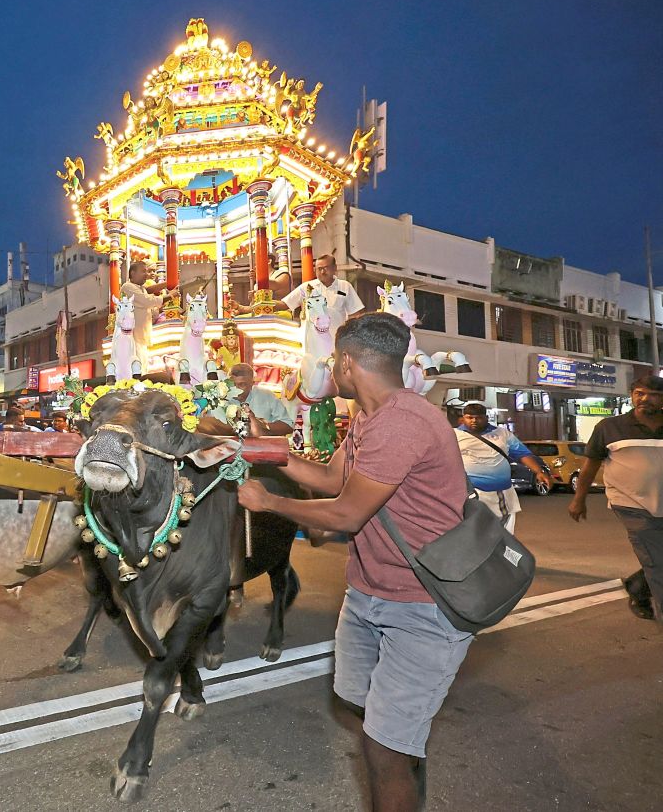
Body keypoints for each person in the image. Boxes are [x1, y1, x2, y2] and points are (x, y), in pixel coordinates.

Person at [237, 313, 470, 811]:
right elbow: (327, 479)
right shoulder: (370, 416)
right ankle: (407, 762)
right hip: (368, 596)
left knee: (383, 747)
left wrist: (270, 503)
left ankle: (403, 769)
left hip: (423, 607)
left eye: (329, 362)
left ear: (345, 363)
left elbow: (346, 511)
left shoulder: (403, 422)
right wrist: (254, 451)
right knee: (369, 717)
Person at [570, 375, 663, 623]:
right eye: (639, 393)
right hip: (631, 505)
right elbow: (590, 466)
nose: (644, 399)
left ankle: (637, 587)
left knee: (657, 557)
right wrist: (579, 499)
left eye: (652, 394)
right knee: (657, 561)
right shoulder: (609, 427)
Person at [455, 403, 551, 533]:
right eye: (470, 417)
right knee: (472, 532)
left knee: (501, 532)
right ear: (463, 418)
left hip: (500, 493)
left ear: (486, 417)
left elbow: (522, 454)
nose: (474, 421)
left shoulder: (502, 434)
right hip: (470, 493)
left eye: (478, 417)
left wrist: (539, 472)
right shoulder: (454, 435)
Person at [279, 254, 365, 329]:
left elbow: (355, 313)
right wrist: (267, 303)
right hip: (312, 342)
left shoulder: (345, 286)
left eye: (326, 268)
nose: (323, 271)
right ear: (315, 270)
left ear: (334, 268)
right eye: (319, 269)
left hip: (337, 340)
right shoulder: (307, 287)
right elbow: (286, 304)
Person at [119, 260, 176, 367]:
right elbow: (146, 300)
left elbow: (149, 290)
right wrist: (170, 296)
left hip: (141, 337)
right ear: (133, 273)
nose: (147, 274)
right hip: (132, 337)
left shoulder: (140, 289)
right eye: (143, 271)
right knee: (137, 370)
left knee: (143, 369)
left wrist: (169, 282)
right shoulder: (127, 287)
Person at [229, 362, 293, 436]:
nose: (236, 389)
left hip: (263, 446)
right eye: (232, 384)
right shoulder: (221, 398)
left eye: (242, 384)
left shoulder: (266, 396)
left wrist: (262, 425)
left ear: (252, 383)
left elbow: (288, 425)